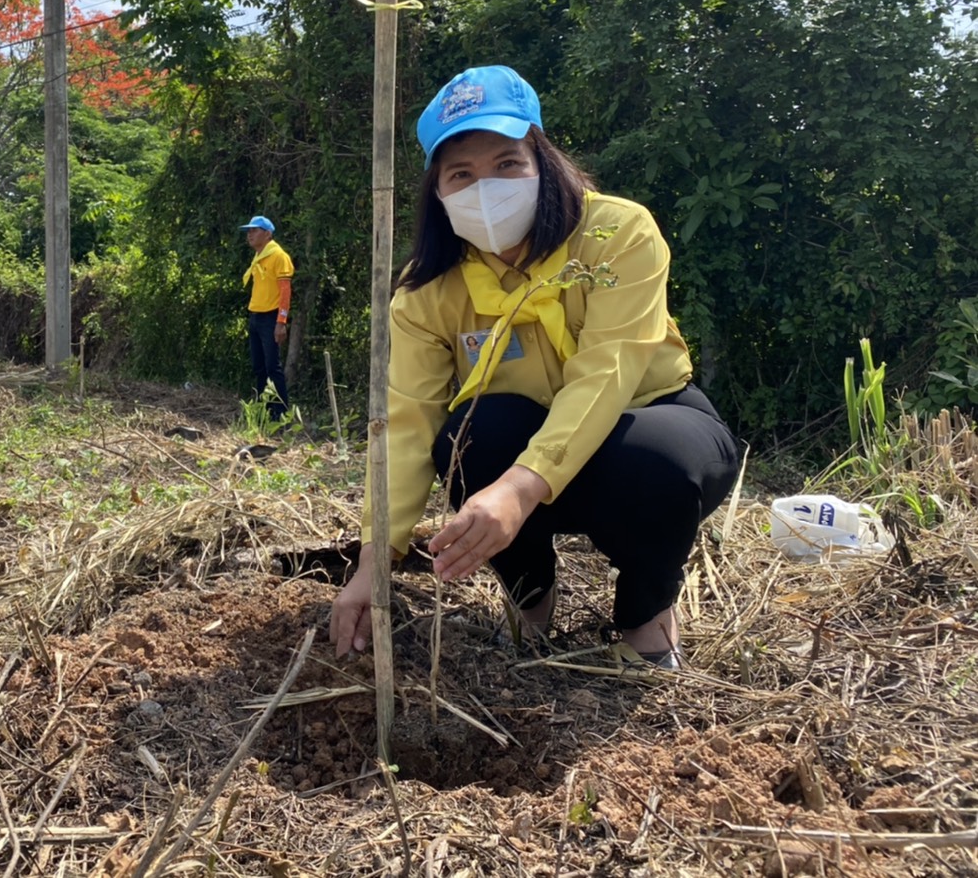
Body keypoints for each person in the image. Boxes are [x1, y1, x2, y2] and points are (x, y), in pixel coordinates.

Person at [329, 66, 739, 669]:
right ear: (437, 193)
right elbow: (407, 420)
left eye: (506, 163)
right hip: (521, 443)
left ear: (542, 161)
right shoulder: (426, 294)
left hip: (643, 418)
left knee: (658, 463)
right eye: (460, 174)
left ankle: (645, 621)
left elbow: (609, 372)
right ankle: (530, 604)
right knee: (471, 435)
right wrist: (376, 563)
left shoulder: (616, 234)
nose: (485, 187)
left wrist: (521, 489)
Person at [239, 215, 295, 422]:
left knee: (273, 366)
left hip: (271, 318)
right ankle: (263, 410)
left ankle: (280, 413)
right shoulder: (260, 256)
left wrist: (281, 322)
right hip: (256, 316)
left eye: (254, 230)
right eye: (249, 230)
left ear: (267, 233)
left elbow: (285, 292)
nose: (249, 234)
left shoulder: (278, 256)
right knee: (259, 366)